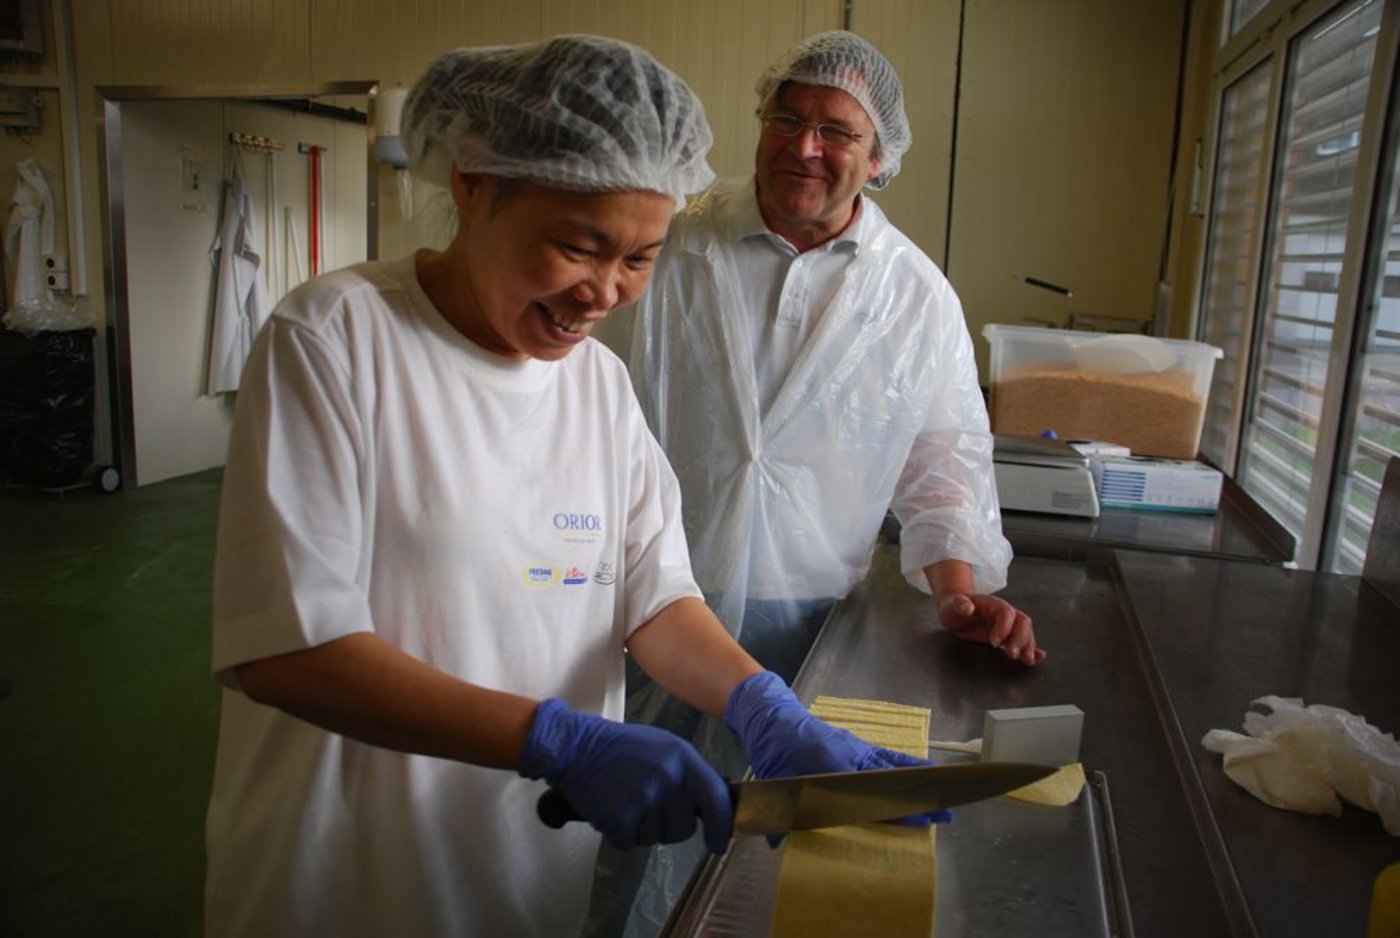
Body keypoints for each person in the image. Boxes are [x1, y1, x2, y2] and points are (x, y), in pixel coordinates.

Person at [202, 35, 946, 938]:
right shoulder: (336, 341)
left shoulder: (595, 385)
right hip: (350, 876)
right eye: (578, 246)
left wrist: (763, 708)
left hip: (522, 872)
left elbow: (653, 594)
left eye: (640, 259)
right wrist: (555, 740)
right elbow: (285, 648)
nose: (603, 293)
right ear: (475, 185)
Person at [584, 30, 1044, 938]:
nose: (804, 146)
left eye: (835, 131)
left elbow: (944, 458)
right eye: (785, 119)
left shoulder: (914, 297)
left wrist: (959, 592)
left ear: (879, 160)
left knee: (776, 847)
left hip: (810, 623)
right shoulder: (671, 245)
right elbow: (584, 399)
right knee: (626, 829)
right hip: (647, 605)